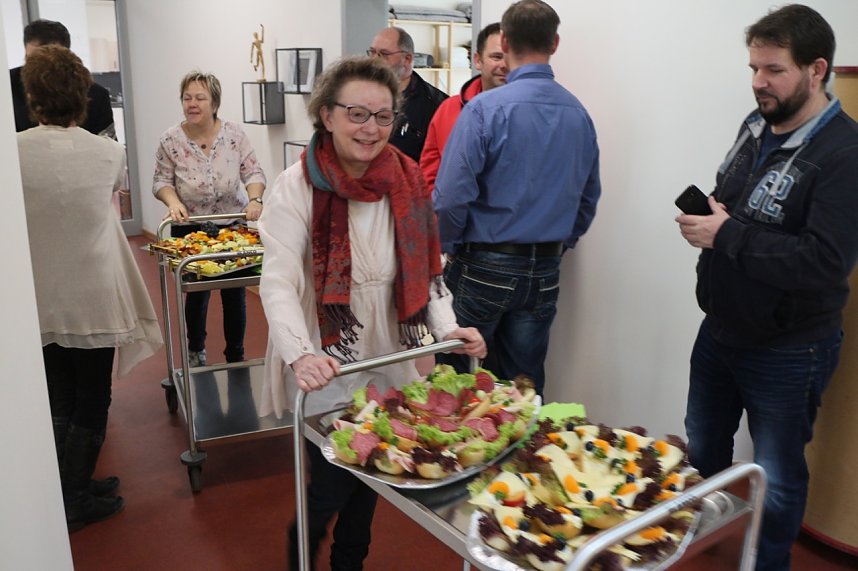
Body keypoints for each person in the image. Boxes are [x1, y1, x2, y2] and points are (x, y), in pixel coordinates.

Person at [256, 56, 486, 570]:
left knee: (376, 471)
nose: (371, 129)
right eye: (358, 114)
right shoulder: (295, 187)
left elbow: (427, 271)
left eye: (383, 117)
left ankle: (349, 562)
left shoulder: (405, 180)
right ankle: (302, 554)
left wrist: (449, 331)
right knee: (335, 478)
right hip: (326, 349)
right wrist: (300, 355)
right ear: (327, 115)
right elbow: (279, 282)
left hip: (388, 348)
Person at [675, 5, 858, 571]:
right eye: (754, 67)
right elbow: (740, 200)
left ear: (816, 69)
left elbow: (825, 262)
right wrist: (710, 215)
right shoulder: (755, 123)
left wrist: (726, 235)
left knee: (777, 476)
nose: (759, 82)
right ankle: (701, 547)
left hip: (789, 347)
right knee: (702, 449)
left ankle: (768, 563)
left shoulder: (844, 154)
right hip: (720, 329)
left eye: (774, 70)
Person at [17, 45, 163, 530]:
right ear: (83, 94)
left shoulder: (12, 152)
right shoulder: (109, 153)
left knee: (58, 392)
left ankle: (67, 484)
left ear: (33, 94)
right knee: (92, 395)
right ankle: (75, 494)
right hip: (94, 292)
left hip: (40, 293)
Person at [433, 0, 601, 397]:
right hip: (544, 268)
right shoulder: (578, 113)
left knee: (457, 385)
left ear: (504, 41)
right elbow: (588, 198)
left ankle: (464, 459)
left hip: (481, 263)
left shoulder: (483, 110)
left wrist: (448, 248)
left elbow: (450, 197)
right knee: (523, 388)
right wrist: (561, 244)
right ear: (555, 43)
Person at [152, 71, 267, 367]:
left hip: (232, 227)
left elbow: (253, 172)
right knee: (198, 295)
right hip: (191, 229)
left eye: (200, 98)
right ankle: (196, 351)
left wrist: (254, 199)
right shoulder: (170, 139)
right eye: (187, 97)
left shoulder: (234, 135)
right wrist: (174, 201)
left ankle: (236, 356)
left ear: (214, 103)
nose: (192, 103)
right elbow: (161, 181)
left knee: (234, 295)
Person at [420, 22, 508, 191]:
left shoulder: (529, 113)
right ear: (478, 60)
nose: (504, 65)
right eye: (496, 57)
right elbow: (430, 173)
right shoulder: (448, 109)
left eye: (509, 57)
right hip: (453, 215)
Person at [10, 19, 114, 137]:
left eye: (48, 63)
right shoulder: (6, 86)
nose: (38, 71)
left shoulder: (96, 94)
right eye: (32, 61)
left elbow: (106, 146)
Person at [367, 26, 447, 162]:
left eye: (384, 54)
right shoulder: (358, 95)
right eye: (372, 52)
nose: (375, 60)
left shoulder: (436, 106)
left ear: (408, 59)